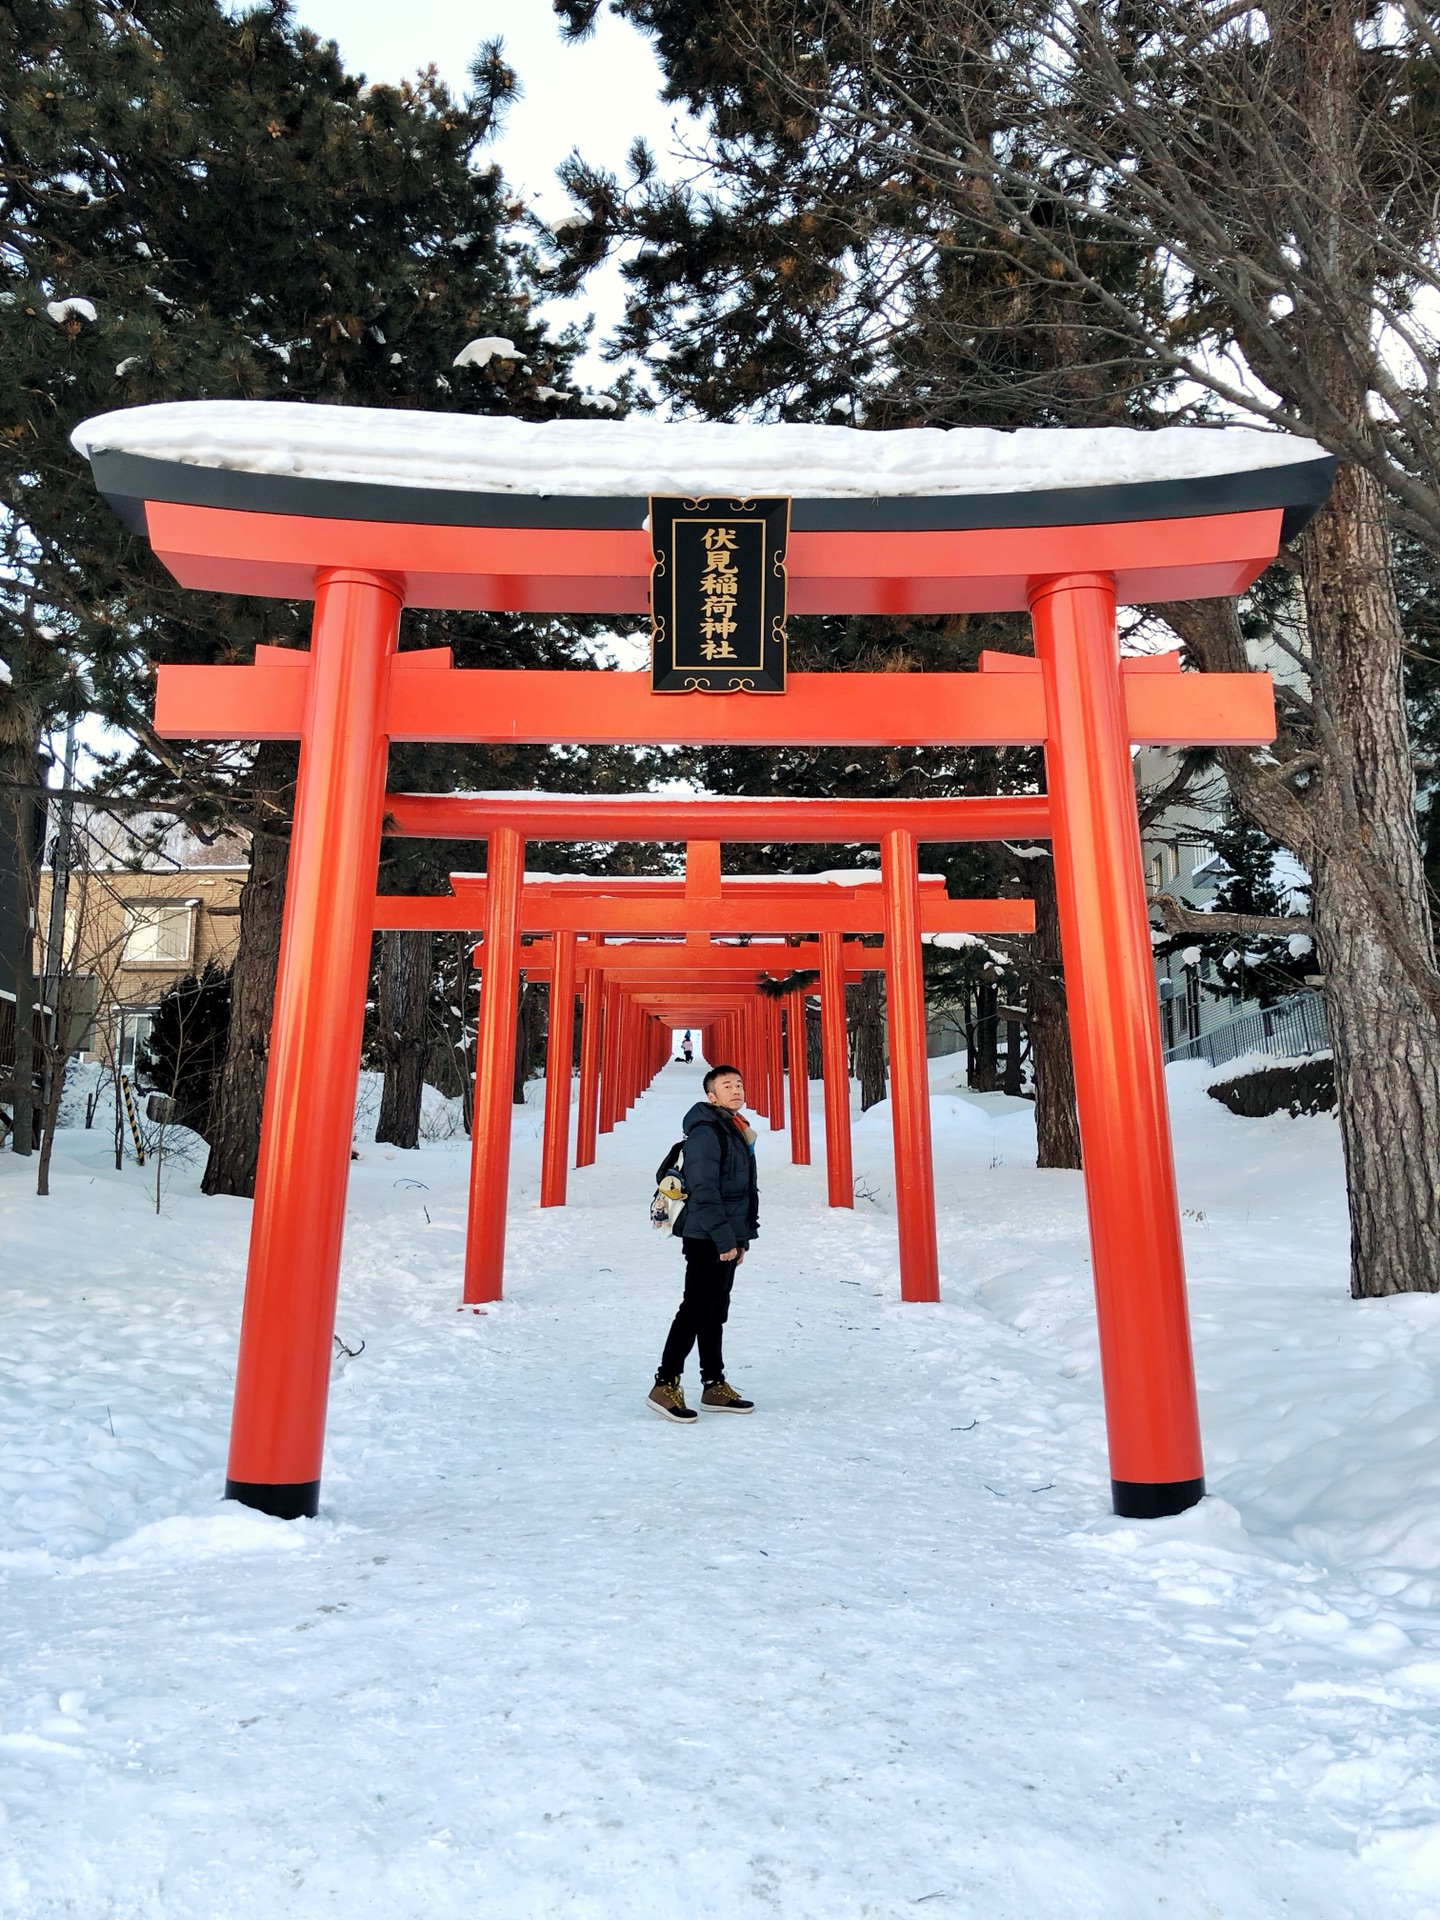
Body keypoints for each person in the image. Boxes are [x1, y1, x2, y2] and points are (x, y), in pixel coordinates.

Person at [648, 1063, 758, 1422]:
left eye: (739, 1084)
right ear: (711, 1096)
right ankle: (664, 1384)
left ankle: (713, 1384)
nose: (736, 1090)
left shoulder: (734, 1129)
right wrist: (725, 1238)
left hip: (725, 1234)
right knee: (695, 1309)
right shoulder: (706, 1133)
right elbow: (706, 1190)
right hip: (705, 1235)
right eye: (727, 1085)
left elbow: (742, 1192)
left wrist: (741, 1237)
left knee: (714, 1312)